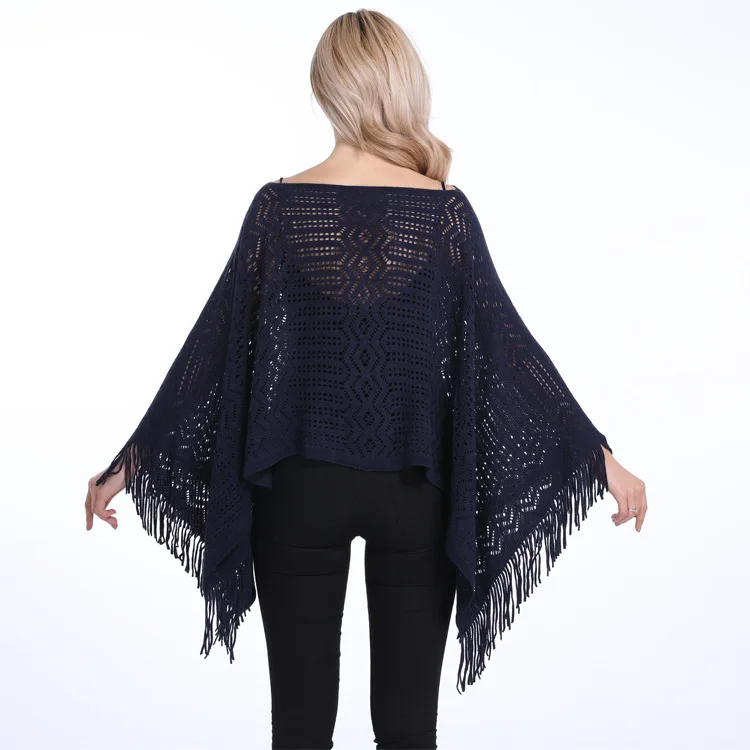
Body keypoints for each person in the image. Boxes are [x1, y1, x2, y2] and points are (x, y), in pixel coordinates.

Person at [85, 9, 647, 750]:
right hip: (414, 494)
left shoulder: (279, 209)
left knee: (300, 729)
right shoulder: (443, 214)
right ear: (402, 86)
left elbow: (213, 352)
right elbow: (507, 347)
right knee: (409, 731)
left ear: (327, 89)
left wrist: (129, 464)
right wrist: (598, 459)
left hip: (299, 490)